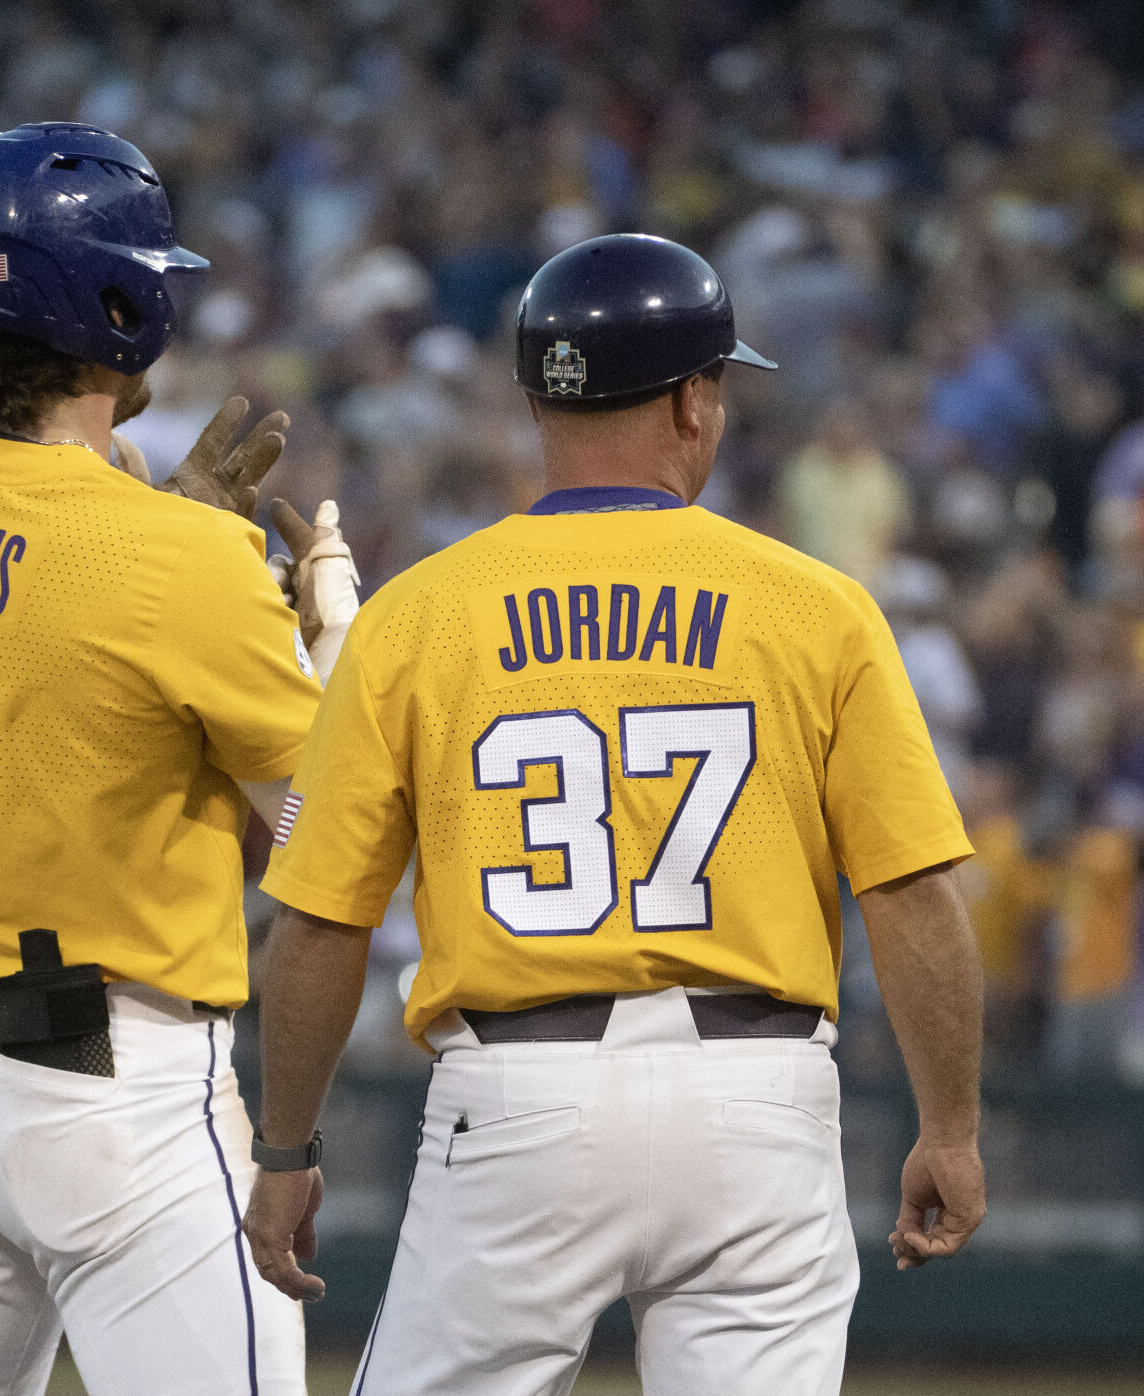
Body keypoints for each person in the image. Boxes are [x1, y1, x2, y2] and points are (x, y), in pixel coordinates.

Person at [243, 233, 986, 1395]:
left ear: (536, 396)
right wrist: (949, 1127)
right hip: (757, 1101)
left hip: (515, 1100)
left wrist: (284, 1147)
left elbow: (321, 922)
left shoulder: (417, 614)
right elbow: (909, 890)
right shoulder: (815, 607)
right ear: (692, 401)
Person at [0, 122, 356, 1396]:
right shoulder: (176, 560)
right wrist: (334, 633)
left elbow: (48, 655)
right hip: (103, 1077)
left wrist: (160, 535)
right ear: (123, 304)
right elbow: (326, 826)